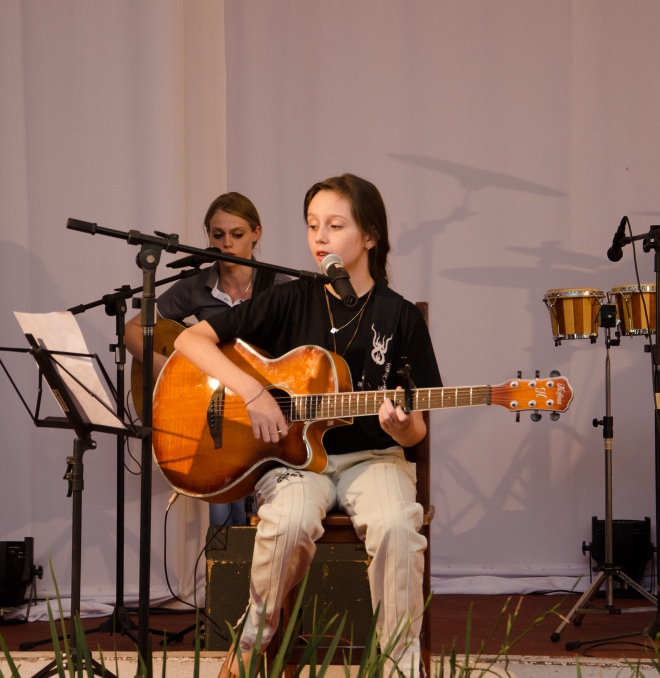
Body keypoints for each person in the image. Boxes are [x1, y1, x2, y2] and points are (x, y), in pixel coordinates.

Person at [174, 174, 442, 677]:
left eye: (335, 225)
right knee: (288, 524)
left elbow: (417, 429)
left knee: (396, 527)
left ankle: (399, 666)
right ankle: (252, 643)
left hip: (375, 458)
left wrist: (401, 429)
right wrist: (253, 391)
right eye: (312, 225)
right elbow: (190, 342)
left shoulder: (400, 316)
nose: (320, 237)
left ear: (370, 236)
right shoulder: (292, 298)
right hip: (296, 461)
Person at [125, 191, 284, 527]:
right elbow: (132, 330)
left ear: (256, 233)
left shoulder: (281, 288)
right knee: (218, 497)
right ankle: (222, 555)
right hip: (211, 407)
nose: (227, 244)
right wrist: (164, 368)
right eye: (218, 234)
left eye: (237, 234)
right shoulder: (195, 286)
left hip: (259, 409)